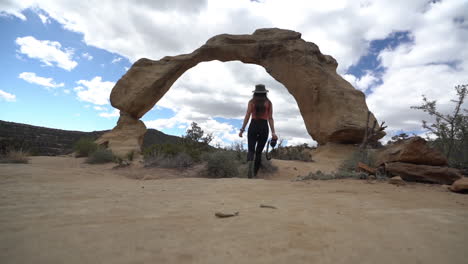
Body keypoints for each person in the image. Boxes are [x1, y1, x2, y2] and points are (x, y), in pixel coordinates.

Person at [239, 84, 278, 178]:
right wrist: (273, 132)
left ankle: (249, 171)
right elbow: (270, 118)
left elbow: (247, 115)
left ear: (255, 93)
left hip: (253, 125)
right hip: (264, 127)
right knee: (259, 152)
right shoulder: (268, 103)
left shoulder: (251, 102)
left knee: (251, 150)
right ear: (265, 93)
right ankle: (254, 174)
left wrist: (242, 129)